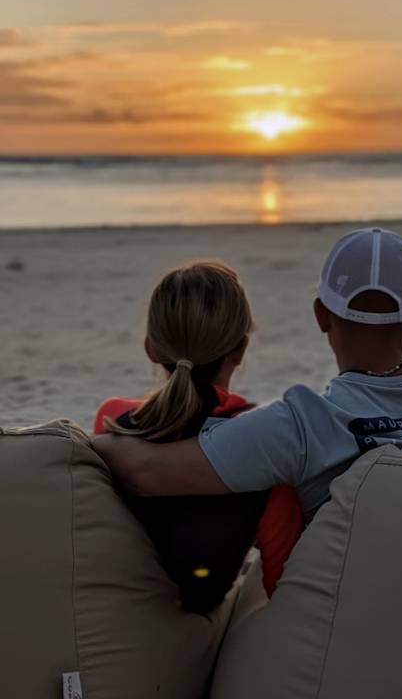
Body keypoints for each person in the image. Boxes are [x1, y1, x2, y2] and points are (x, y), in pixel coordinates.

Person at [93, 228, 402, 524]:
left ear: (321, 315)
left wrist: (93, 440)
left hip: (365, 629)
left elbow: (145, 472)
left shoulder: (299, 425)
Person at [94, 261, 303, 612]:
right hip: (190, 624)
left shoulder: (113, 419)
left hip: (111, 614)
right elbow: (283, 586)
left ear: (151, 348)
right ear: (240, 350)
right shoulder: (263, 444)